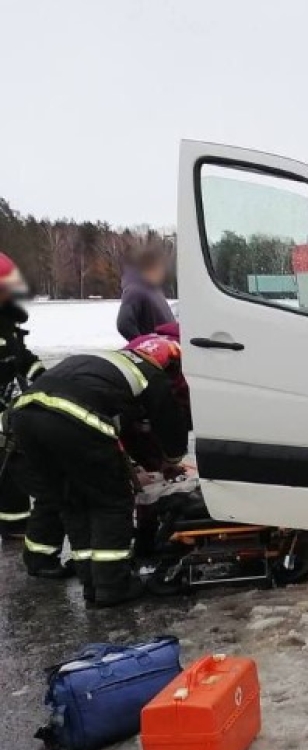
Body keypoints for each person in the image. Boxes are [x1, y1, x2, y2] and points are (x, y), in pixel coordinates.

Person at [8, 335, 188, 606]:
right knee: (111, 502)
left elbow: (127, 432)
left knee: (73, 500)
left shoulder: (106, 361)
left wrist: (146, 462)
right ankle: (113, 586)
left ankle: (91, 582)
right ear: (169, 361)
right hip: (73, 418)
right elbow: (170, 424)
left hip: (24, 418)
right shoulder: (152, 374)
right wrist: (171, 460)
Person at [0, 252, 44, 539]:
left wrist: (43, 377)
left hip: (7, 402)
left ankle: (15, 521)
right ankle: (14, 523)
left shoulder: (7, 320)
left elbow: (21, 356)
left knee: (12, 456)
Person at [115, 245, 177, 341]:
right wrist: (143, 345)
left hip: (168, 349)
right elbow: (124, 324)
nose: (162, 273)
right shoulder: (134, 291)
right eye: (159, 269)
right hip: (154, 352)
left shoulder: (153, 289)